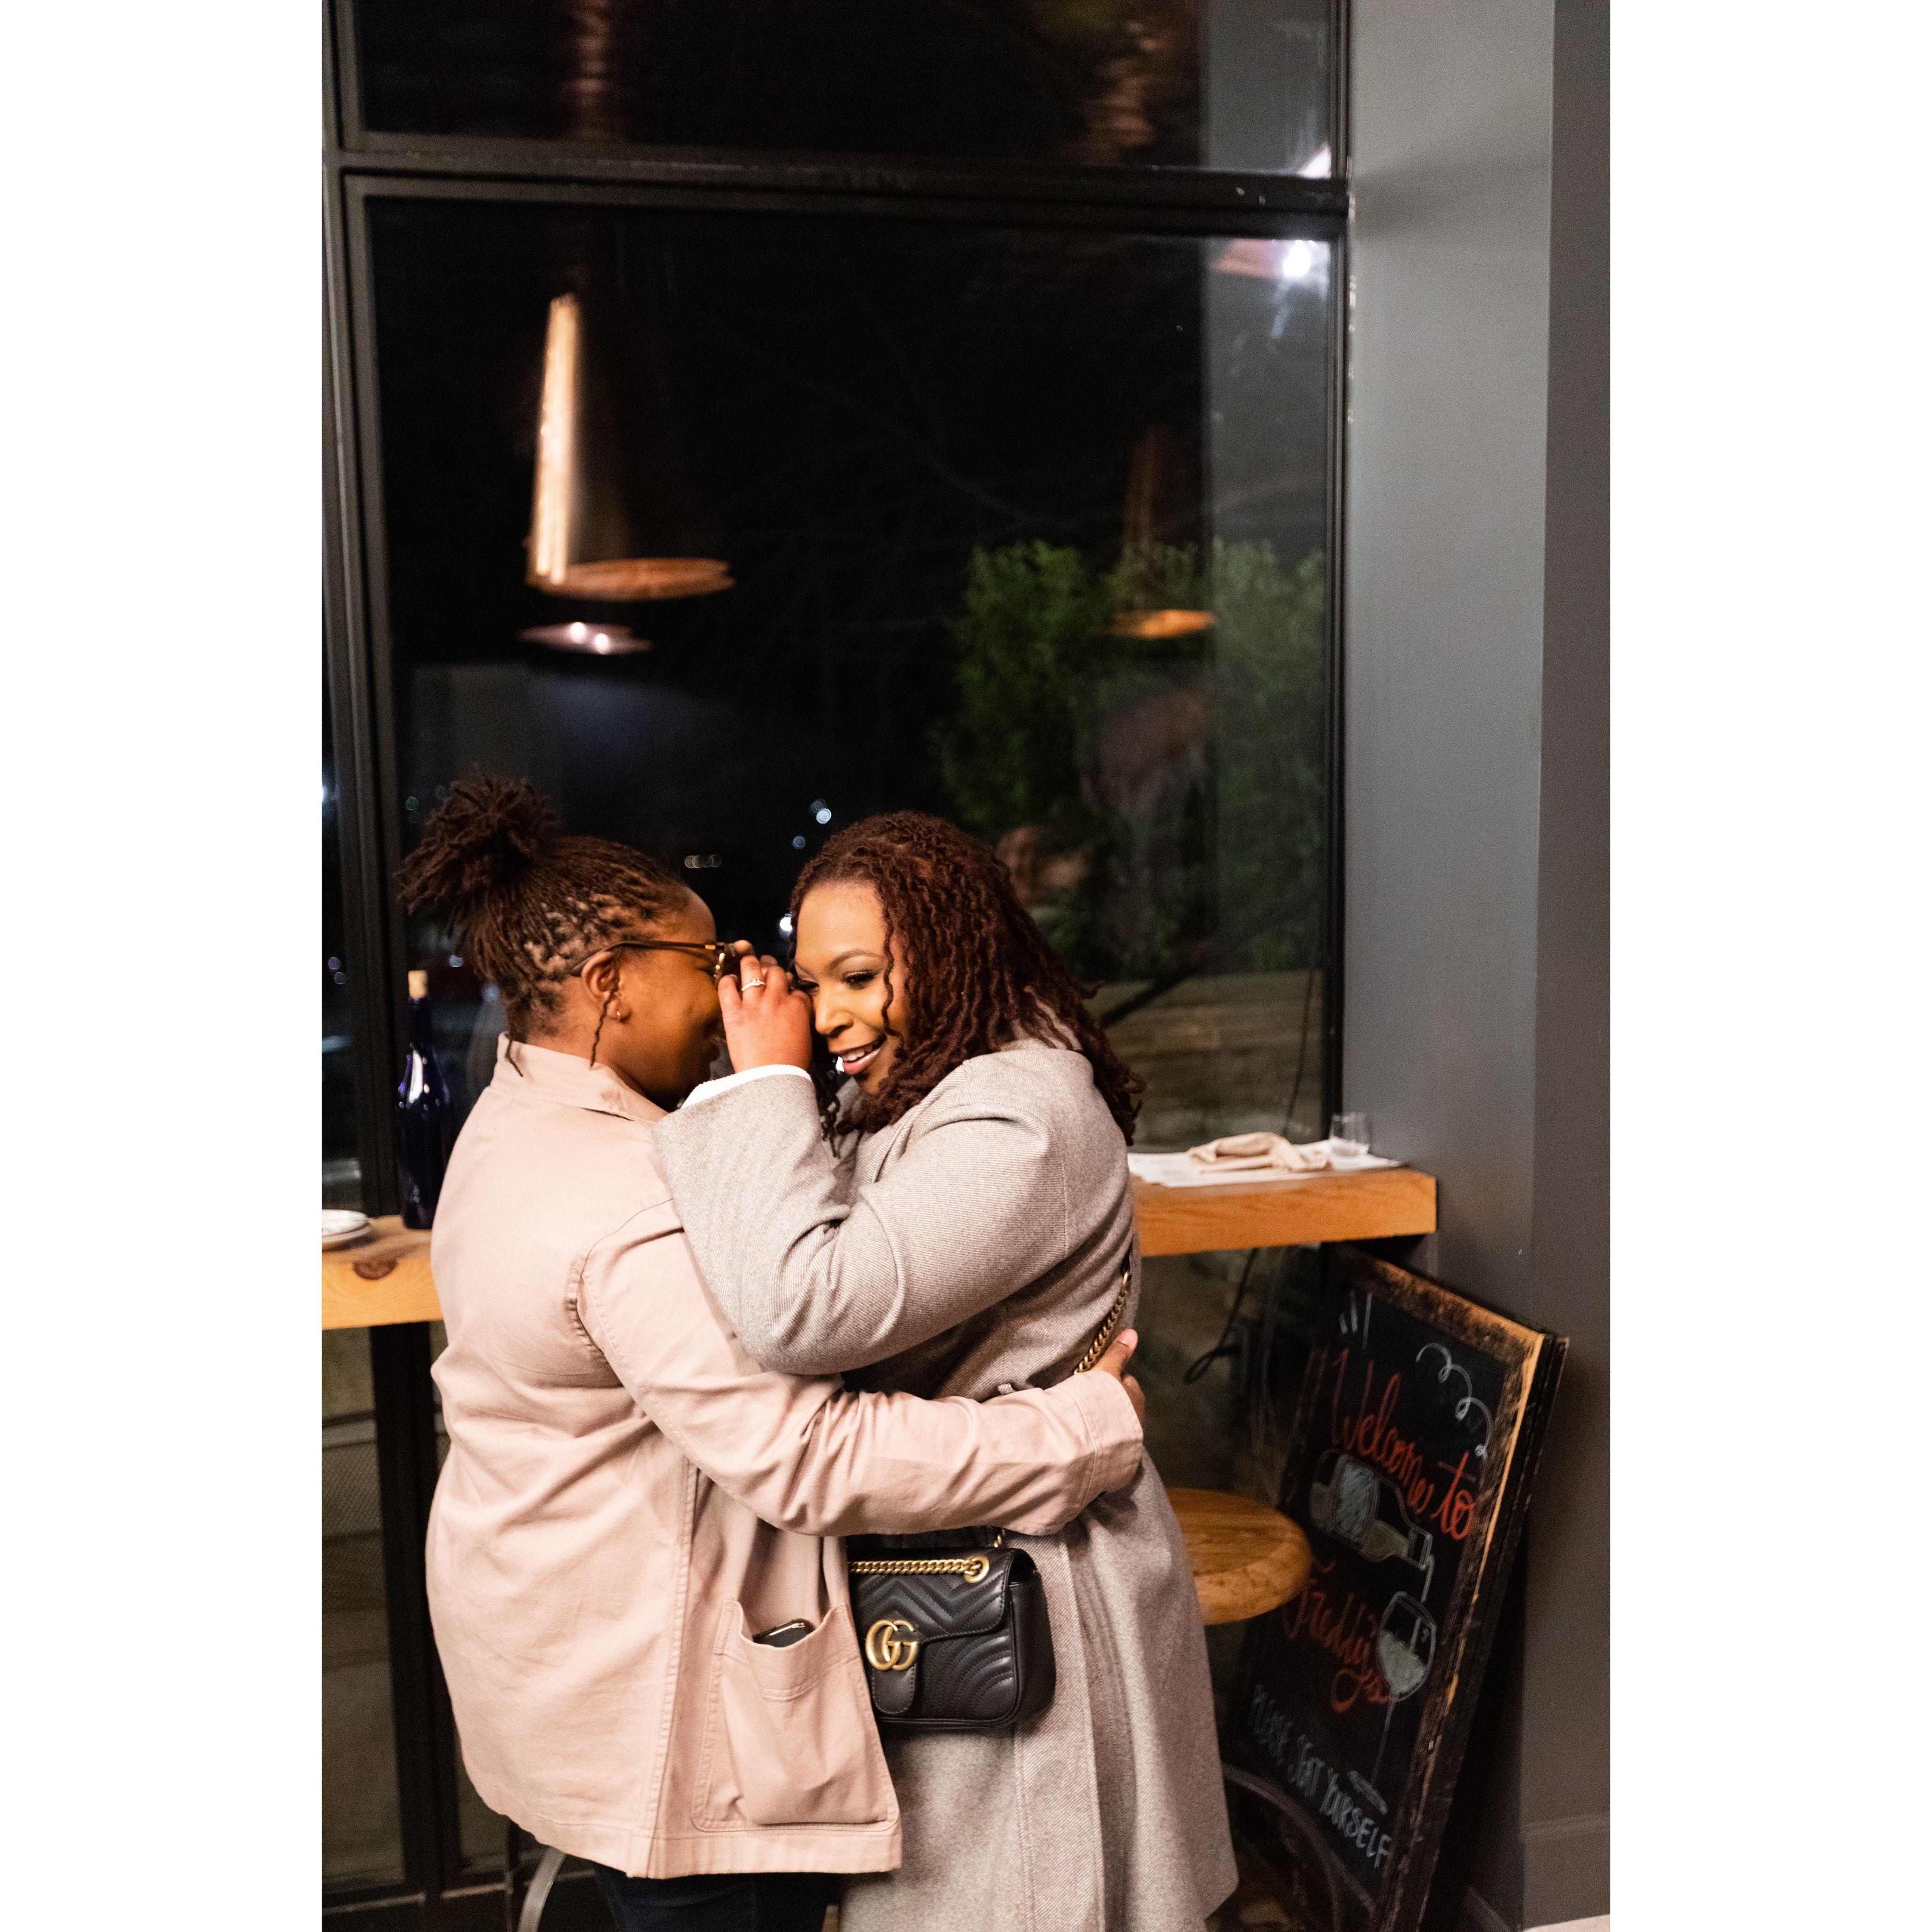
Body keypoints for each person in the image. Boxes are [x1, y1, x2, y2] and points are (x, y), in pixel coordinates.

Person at [397, 779, 1149, 1932]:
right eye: (707, 962)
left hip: (557, 1649)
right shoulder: (629, 1199)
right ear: (610, 981)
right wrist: (1074, 1427)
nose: (740, 992)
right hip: (661, 1701)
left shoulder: (512, 1118)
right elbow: (805, 1448)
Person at [655, 811, 1237, 1932]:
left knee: (1029, 1897)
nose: (827, 1015)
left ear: (956, 950)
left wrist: (763, 1083)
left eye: (859, 975)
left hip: (1027, 1577)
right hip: (953, 1551)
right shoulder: (912, 1088)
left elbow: (803, 1306)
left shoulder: (1019, 1114)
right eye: (812, 981)